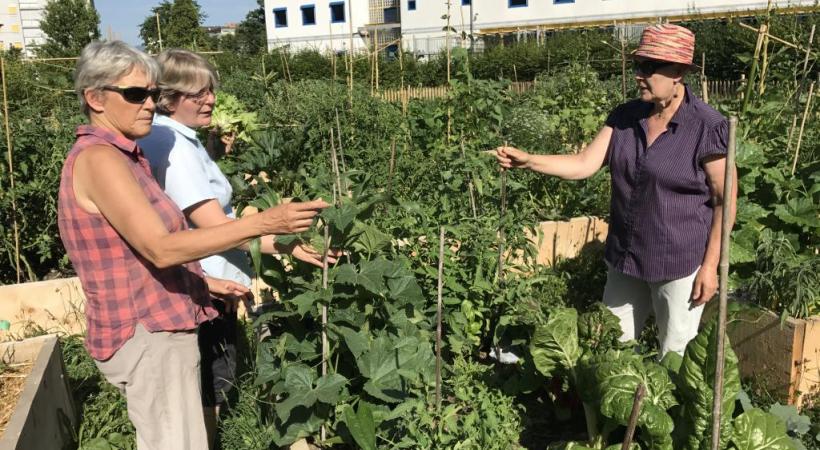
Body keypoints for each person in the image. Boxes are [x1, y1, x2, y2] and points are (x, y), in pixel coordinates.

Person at [57, 40, 328, 450]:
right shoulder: (101, 159)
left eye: (152, 93)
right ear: (94, 98)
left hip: (157, 323)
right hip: (146, 331)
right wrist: (264, 223)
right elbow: (161, 248)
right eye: (136, 94)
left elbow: (136, 250)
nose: (150, 104)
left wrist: (203, 282)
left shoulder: (124, 155)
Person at [137, 49, 339, 445]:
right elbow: (216, 228)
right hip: (206, 281)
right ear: (169, 98)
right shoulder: (174, 147)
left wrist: (213, 151)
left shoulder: (170, 136)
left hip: (199, 277)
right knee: (211, 381)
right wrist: (293, 245)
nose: (210, 99)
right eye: (198, 93)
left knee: (205, 376)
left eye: (211, 90)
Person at [496, 24, 737, 356]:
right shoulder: (625, 117)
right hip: (626, 256)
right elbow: (584, 163)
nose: (639, 75)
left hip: (678, 262)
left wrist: (710, 267)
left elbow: (725, 200)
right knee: (611, 350)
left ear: (678, 72)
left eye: (649, 67)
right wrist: (529, 161)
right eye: (638, 65)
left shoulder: (707, 127)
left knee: (675, 355)